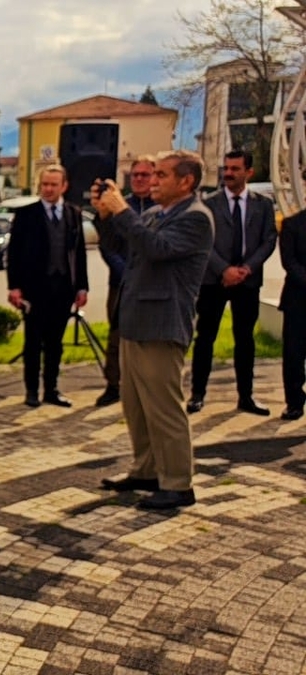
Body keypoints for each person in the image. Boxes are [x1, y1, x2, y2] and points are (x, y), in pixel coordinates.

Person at [93, 149, 214, 510]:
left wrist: (122, 211)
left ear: (186, 181)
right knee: (136, 406)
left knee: (163, 408)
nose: (153, 181)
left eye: (162, 175)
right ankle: (146, 470)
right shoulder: (154, 214)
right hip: (135, 321)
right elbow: (122, 246)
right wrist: (106, 216)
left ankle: (178, 483)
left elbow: (157, 249)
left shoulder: (195, 217)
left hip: (161, 324)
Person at [187, 149, 277, 416]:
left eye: (235, 169)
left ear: (249, 172)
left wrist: (247, 269)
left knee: (245, 339)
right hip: (214, 281)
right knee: (205, 337)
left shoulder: (263, 205)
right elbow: (203, 241)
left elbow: (269, 239)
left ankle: (246, 396)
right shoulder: (209, 203)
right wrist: (224, 269)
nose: (228, 173)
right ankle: (197, 394)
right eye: (226, 168)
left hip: (248, 282)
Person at [7, 165, 88, 407]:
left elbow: (79, 252)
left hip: (63, 288)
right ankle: (31, 390)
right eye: (45, 184)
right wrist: (15, 286)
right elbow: (14, 253)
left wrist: (82, 287)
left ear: (64, 186)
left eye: (53, 184)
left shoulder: (74, 213)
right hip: (34, 289)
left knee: (55, 343)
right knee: (33, 342)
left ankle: (51, 389)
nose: (48, 189)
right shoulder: (26, 214)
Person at [95, 155, 156, 407]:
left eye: (144, 174)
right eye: (135, 175)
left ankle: (147, 386)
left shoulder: (160, 206)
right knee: (116, 336)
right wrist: (125, 272)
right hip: (120, 282)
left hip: (152, 284)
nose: (139, 179)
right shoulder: (119, 204)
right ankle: (113, 385)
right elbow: (107, 244)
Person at [280, 190, 306, 421]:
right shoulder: (291, 225)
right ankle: (294, 402)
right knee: (294, 354)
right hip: (297, 300)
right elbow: (289, 262)